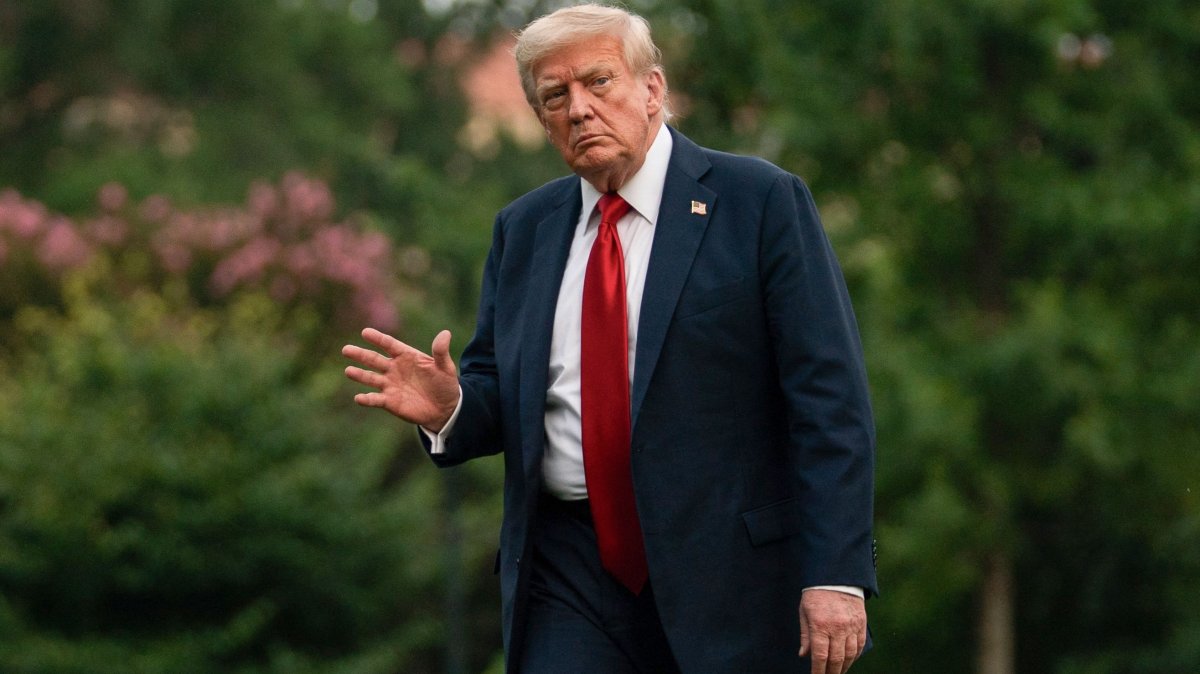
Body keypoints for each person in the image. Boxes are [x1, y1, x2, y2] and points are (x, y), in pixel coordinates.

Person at [342, 4, 877, 672]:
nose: (579, 109)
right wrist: (453, 408)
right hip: (569, 571)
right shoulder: (524, 229)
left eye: (599, 82)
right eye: (555, 96)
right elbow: (502, 393)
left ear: (653, 89)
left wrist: (836, 573)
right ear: (541, 119)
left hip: (727, 572)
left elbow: (829, 401)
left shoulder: (759, 202)